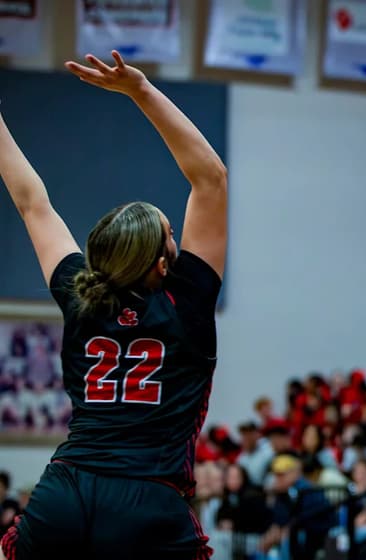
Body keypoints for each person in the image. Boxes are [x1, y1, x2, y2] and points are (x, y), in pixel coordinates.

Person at [0, 50, 227, 560]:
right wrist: (141, 90)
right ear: (163, 263)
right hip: (148, 498)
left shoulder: (81, 294)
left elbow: (32, 202)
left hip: (66, 491)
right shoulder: (188, 301)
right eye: (173, 232)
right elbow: (210, 177)